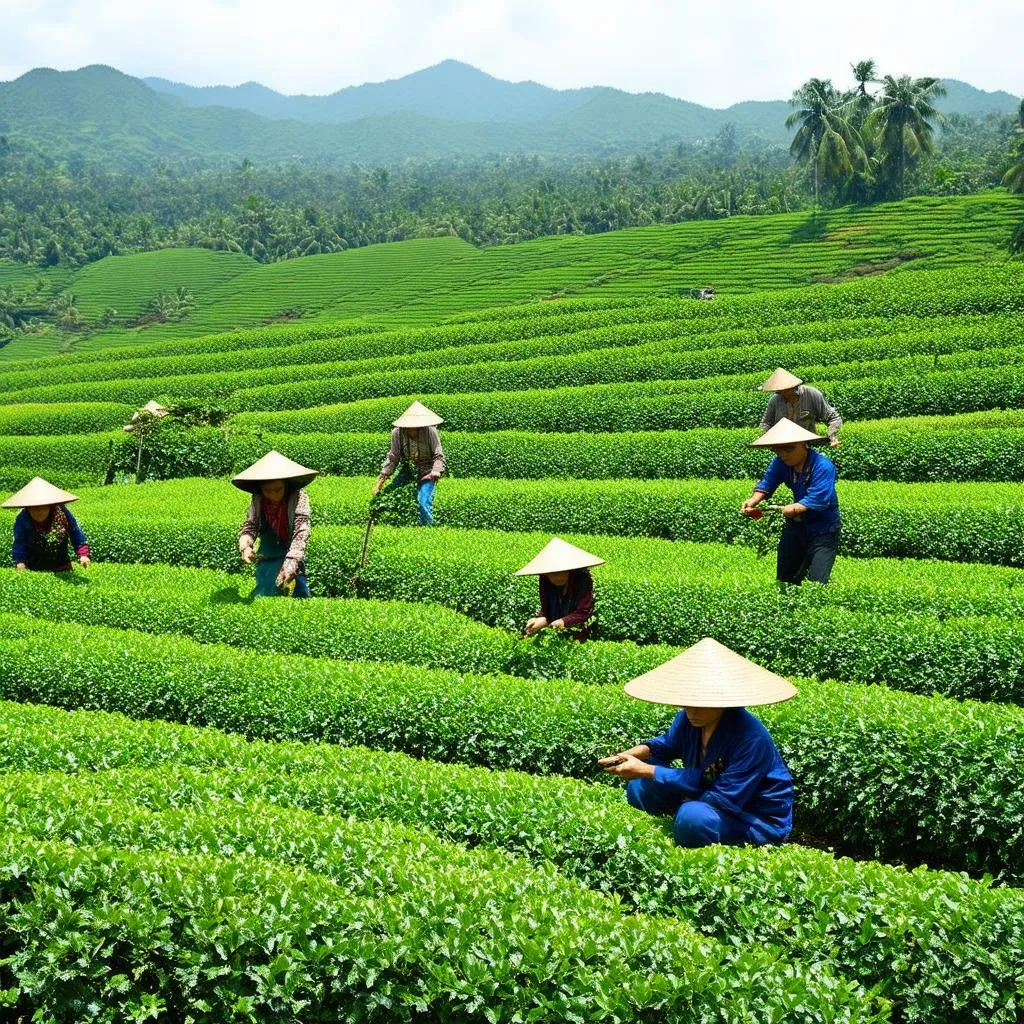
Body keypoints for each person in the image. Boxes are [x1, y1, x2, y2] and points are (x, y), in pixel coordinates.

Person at [600, 637, 795, 849]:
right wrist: (631, 755)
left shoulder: (751, 739)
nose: (692, 712)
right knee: (639, 786)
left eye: (701, 705)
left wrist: (649, 770)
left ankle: (693, 823)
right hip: (709, 792)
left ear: (724, 700)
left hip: (751, 814)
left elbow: (723, 797)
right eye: (688, 703)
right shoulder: (687, 719)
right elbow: (666, 745)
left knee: (692, 818)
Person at [741, 418, 841, 585]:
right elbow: (768, 481)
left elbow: (819, 498)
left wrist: (794, 508)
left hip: (824, 529)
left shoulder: (823, 466)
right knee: (785, 579)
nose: (783, 454)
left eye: (788, 449)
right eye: (777, 450)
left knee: (817, 581)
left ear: (804, 444)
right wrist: (753, 500)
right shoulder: (781, 463)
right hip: (796, 527)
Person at [234, 450, 318, 598]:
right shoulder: (258, 499)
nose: (273, 495)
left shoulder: (298, 498)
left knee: (297, 594)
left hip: (292, 553)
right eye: (268, 491)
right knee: (265, 594)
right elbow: (251, 525)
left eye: (278, 490)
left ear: (286, 485)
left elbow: (301, 531)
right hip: (268, 555)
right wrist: (246, 547)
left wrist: (290, 565)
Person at [515, 537, 604, 642]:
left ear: (569, 570)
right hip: (555, 633)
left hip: (579, 633)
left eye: (560, 572)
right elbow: (546, 609)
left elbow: (584, 612)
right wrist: (540, 619)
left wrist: (563, 621)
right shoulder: (544, 580)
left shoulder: (582, 579)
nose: (556, 577)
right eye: (551, 574)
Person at [373, 401, 446, 526]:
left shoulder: (430, 431)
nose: (410, 429)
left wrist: (436, 472)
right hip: (408, 470)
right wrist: (381, 480)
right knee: (388, 494)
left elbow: (438, 455)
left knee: (423, 502)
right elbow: (393, 457)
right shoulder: (397, 433)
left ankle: (427, 528)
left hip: (427, 470)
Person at [4, 477, 91, 573]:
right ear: (28, 508)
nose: (39, 512)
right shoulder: (23, 519)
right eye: (34, 508)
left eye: (42, 507)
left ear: (50, 505)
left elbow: (75, 533)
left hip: (61, 564)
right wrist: (20, 562)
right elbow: (20, 542)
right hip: (34, 567)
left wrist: (83, 555)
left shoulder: (62, 513)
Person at [758, 368, 841, 447]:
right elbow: (766, 423)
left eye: (784, 390)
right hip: (784, 445)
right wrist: (767, 440)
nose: (781, 393)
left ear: (793, 387)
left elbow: (833, 418)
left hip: (807, 444)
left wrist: (832, 436)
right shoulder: (775, 400)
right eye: (779, 391)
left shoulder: (812, 394)